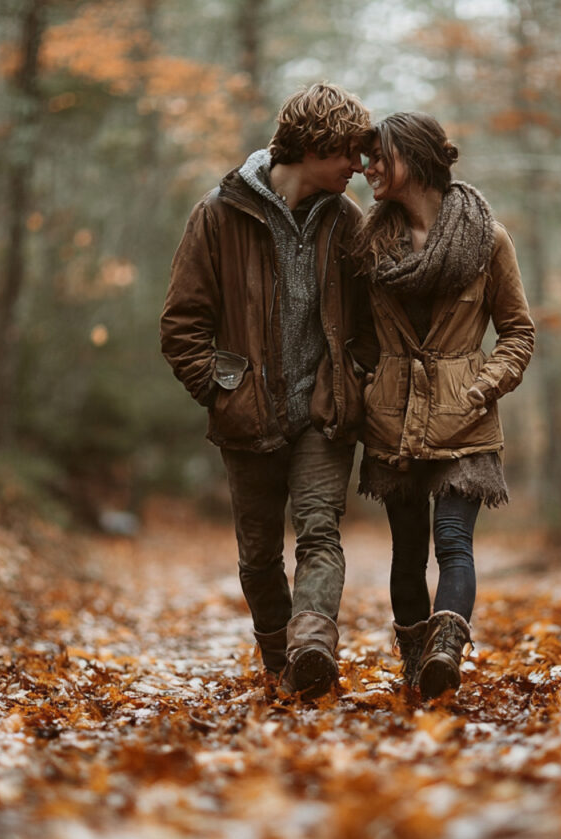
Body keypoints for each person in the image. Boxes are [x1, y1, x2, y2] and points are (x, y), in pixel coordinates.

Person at [159, 83, 373, 700]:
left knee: (319, 531)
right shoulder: (218, 214)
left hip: (322, 413)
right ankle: (284, 664)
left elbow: (370, 323)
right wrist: (223, 390)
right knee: (257, 556)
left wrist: (352, 378)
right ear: (315, 146)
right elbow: (181, 324)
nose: (358, 168)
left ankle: (312, 646)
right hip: (247, 417)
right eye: (349, 155)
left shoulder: (348, 220)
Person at [352, 112, 535, 700]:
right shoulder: (371, 243)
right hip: (394, 419)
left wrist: (482, 386)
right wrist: (366, 385)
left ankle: (445, 655)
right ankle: (415, 668)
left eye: (379, 155)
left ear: (417, 157)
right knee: (407, 552)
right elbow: (354, 334)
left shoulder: (487, 239)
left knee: (454, 542)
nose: (368, 167)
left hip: (465, 419)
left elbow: (518, 332)